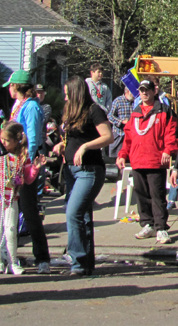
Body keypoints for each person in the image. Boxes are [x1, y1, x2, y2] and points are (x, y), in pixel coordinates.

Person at [53, 75, 113, 276]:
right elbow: (72, 137)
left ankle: (76, 259)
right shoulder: (69, 111)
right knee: (83, 216)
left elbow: (107, 136)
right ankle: (86, 263)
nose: (65, 98)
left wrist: (85, 147)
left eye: (68, 94)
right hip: (71, 169)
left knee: (73, 213)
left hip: (89, 170)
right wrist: (62, 145)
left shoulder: (93, 110)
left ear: (77, 93)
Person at [0, 121, 43, 275]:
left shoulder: (22, 155)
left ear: (16, 140)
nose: (3, 143)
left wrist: (35, 169)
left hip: (12, 197)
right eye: (2, 139)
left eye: (7, 140)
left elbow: (27, 178)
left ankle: (13, 262)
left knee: (11, 229)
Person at [116, 79, 177, 245]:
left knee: (157, 195)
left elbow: (170, 134)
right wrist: (122, 154)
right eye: (142, 90)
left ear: (154, 91)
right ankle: (147, 224)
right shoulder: (135, 113)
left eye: (147, 90)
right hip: (137, 160)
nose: (144, 93)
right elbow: (128, 137)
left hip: (155, 160)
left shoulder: (164, 111)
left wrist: (167, 151)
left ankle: (161, 227)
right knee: (141, 195)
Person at [4, 69, 51, 274]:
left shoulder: (31, 106)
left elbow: (32, 137)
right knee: (10, 211)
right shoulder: (18, 105)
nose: (9, 90)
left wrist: (28, 164)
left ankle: (42, 258)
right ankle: (7, 256)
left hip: (25, 164)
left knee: (29, 210)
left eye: (10, 86)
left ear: (16, 86)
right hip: (12, 162)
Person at [108, 85, 134, 158]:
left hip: (131, 135)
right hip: (119, 134)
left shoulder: (136, 102)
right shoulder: (118, 101)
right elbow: (110, 116)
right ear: (128, 92)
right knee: (116, 157)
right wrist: (121, 121)